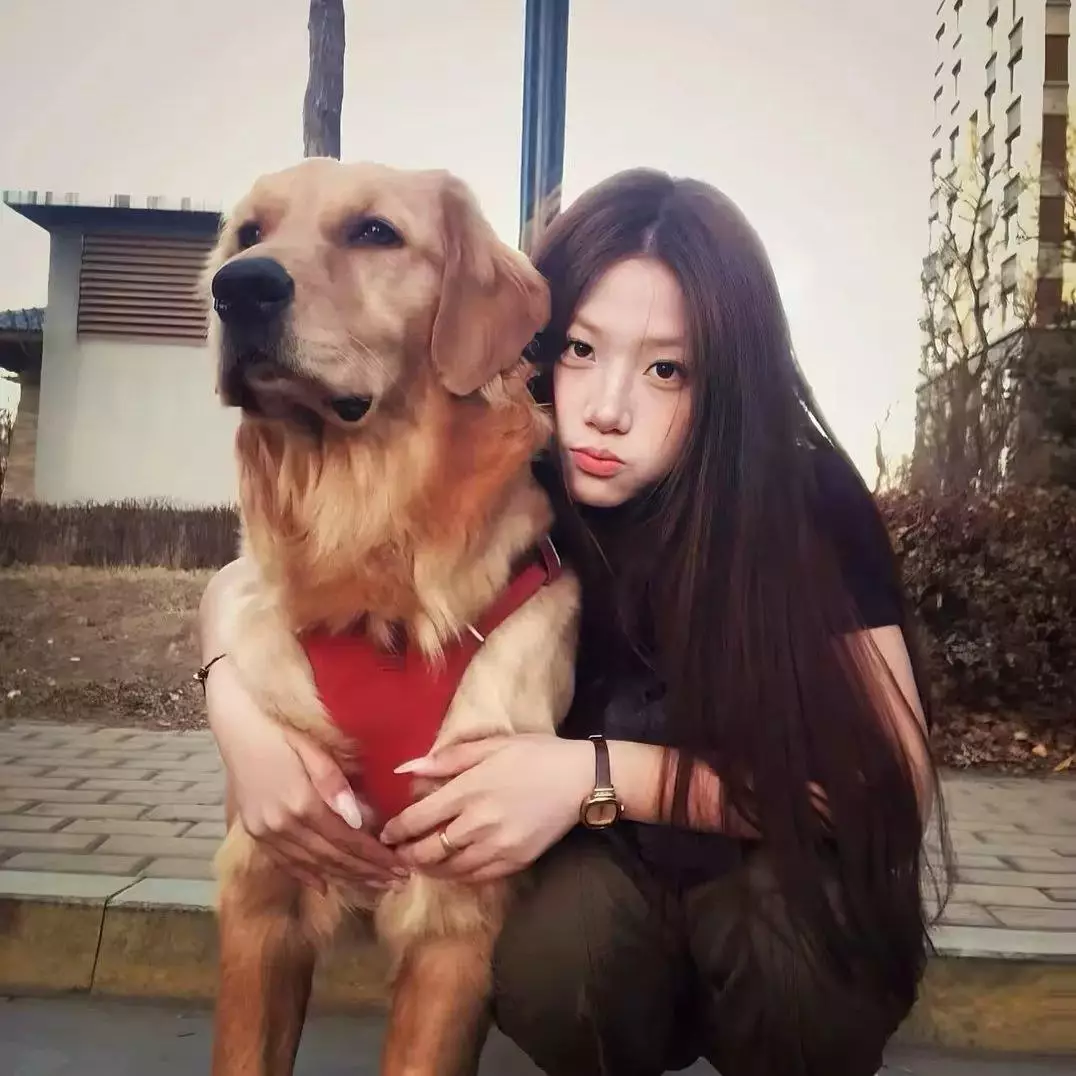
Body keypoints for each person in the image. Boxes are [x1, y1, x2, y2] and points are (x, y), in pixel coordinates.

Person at [198, 168, 949, 1076]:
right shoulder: (515, 464)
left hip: (765, 851)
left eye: (667, 370)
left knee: (792, 972)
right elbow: (248, 584)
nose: (607, 410)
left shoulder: (804, 495)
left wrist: (595, 775)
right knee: (556, 962)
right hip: (606, 871)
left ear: (729, 380)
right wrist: (237, 713)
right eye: (583, 351)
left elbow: (887, 784)